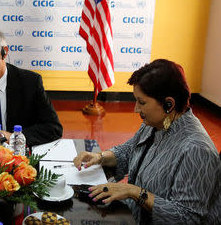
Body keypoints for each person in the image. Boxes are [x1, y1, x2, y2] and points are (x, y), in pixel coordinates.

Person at [73, 59, 220, 224]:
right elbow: (130, 150)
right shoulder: (157, 123)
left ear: (168, 104)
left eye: (142, 102)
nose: (136, 109)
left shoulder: (197, 150)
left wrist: (135, 192)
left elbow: (186, 218)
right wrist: (99, 156)